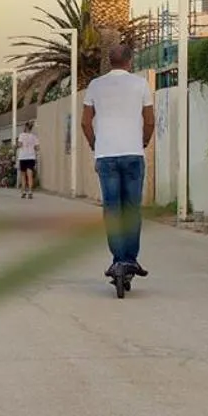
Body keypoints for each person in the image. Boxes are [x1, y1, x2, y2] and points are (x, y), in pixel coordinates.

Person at [81, 41, 156, 279]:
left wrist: (96, 144)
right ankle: (130, 259)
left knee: (112, 209)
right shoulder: (140, 84)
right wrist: (142, 141)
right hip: (133, 154)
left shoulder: (95, 85)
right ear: (129, 61)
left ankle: (118, 260)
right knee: (132, 209)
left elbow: (85, 122)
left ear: (109, 61)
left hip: (107, 156)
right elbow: (150, 121)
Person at [16, 126, 40, 198]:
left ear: (25, 128)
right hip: (31, 157)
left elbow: (19, 145)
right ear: (31, 128)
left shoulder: (21, 135)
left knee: (23, 175)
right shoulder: (34, 136)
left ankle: (23, 192)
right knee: (30, 175)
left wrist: (19, 145)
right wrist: (32, 147)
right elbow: (37, 148)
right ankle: (30, 192)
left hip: (23, 157)